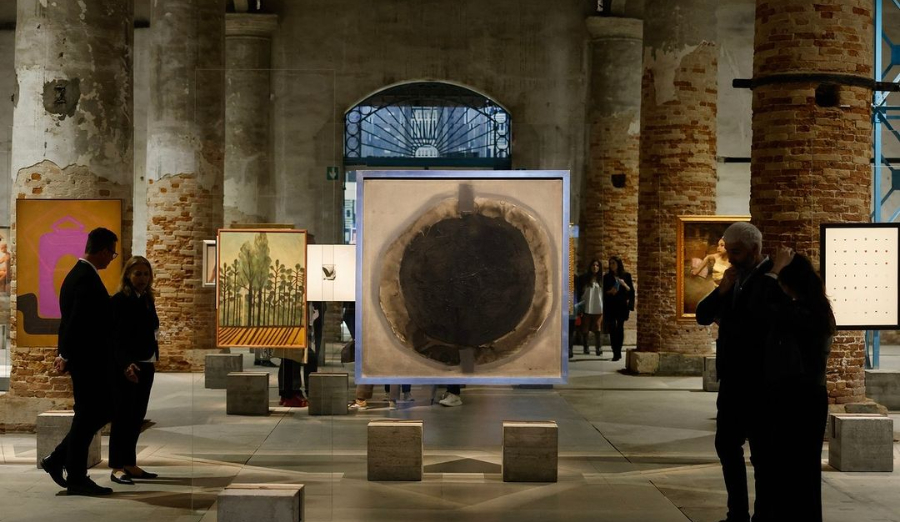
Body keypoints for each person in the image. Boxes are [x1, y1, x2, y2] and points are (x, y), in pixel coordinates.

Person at [695, 222, 786, 522]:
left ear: (754, 249)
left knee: (762, 453)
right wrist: (721, 291)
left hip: (761, 381)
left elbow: (757, 317)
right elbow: (703, 315)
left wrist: (770, 277)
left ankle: (763, 515)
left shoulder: (772, 276)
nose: (730, 257)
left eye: (736, 252)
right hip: (733, 380)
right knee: (726, 445)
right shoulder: (733, 277)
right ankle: (737, 514)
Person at [41, 227, 119, 496]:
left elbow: (68, 322)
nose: (112, 258)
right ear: (103, 251)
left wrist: (64, 353)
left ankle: (63, 465)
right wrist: (65, 355)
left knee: (92, 414)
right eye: (112, 253)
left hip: (86, 359)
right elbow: (75, 323)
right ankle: (72, 473)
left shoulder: (79, 274)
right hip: (89, 362)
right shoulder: (85, 278)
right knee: (93, 413)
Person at [763, 247, 834, 522]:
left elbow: (765, 303)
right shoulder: (817, 309)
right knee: (803, 471)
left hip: (796, 398)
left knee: (791, 469)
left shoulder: (801, 313)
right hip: (810, 397)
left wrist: (774, 270)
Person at [108, 256, 160, 485]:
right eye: (138, 274)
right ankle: (117, 466)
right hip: (128, 366)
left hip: (146, 363)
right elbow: (115, 337)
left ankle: (130, 463)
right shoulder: (119, 301)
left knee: (137, 416)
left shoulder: (147, 299)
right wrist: (125, 364)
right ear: (128, 275)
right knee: (122, 416)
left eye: (146, 274)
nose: (142, 278)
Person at [602, 256, 634, 362]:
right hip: (611, 305)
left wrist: (624, 284)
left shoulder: (626, 275)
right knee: (612, 328)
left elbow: (631, 291)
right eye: (610, 263)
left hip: (621, 305)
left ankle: (619, 350)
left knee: (620, 327)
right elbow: (604, 292)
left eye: (613, 263)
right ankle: (615, 352)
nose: (611, 265)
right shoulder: (607, 277)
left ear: (618, 264)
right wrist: (610, 291)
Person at [575, 259, 604, 356]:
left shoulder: (602, 279)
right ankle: (586, 346)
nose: (595, 267)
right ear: (590, 267)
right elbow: (580, 291)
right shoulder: (584, 278)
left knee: (597, 325)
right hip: (586, 304)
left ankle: (598, 347)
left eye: (597, 265)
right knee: (585, 326)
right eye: (593, 265)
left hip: (598, 305)